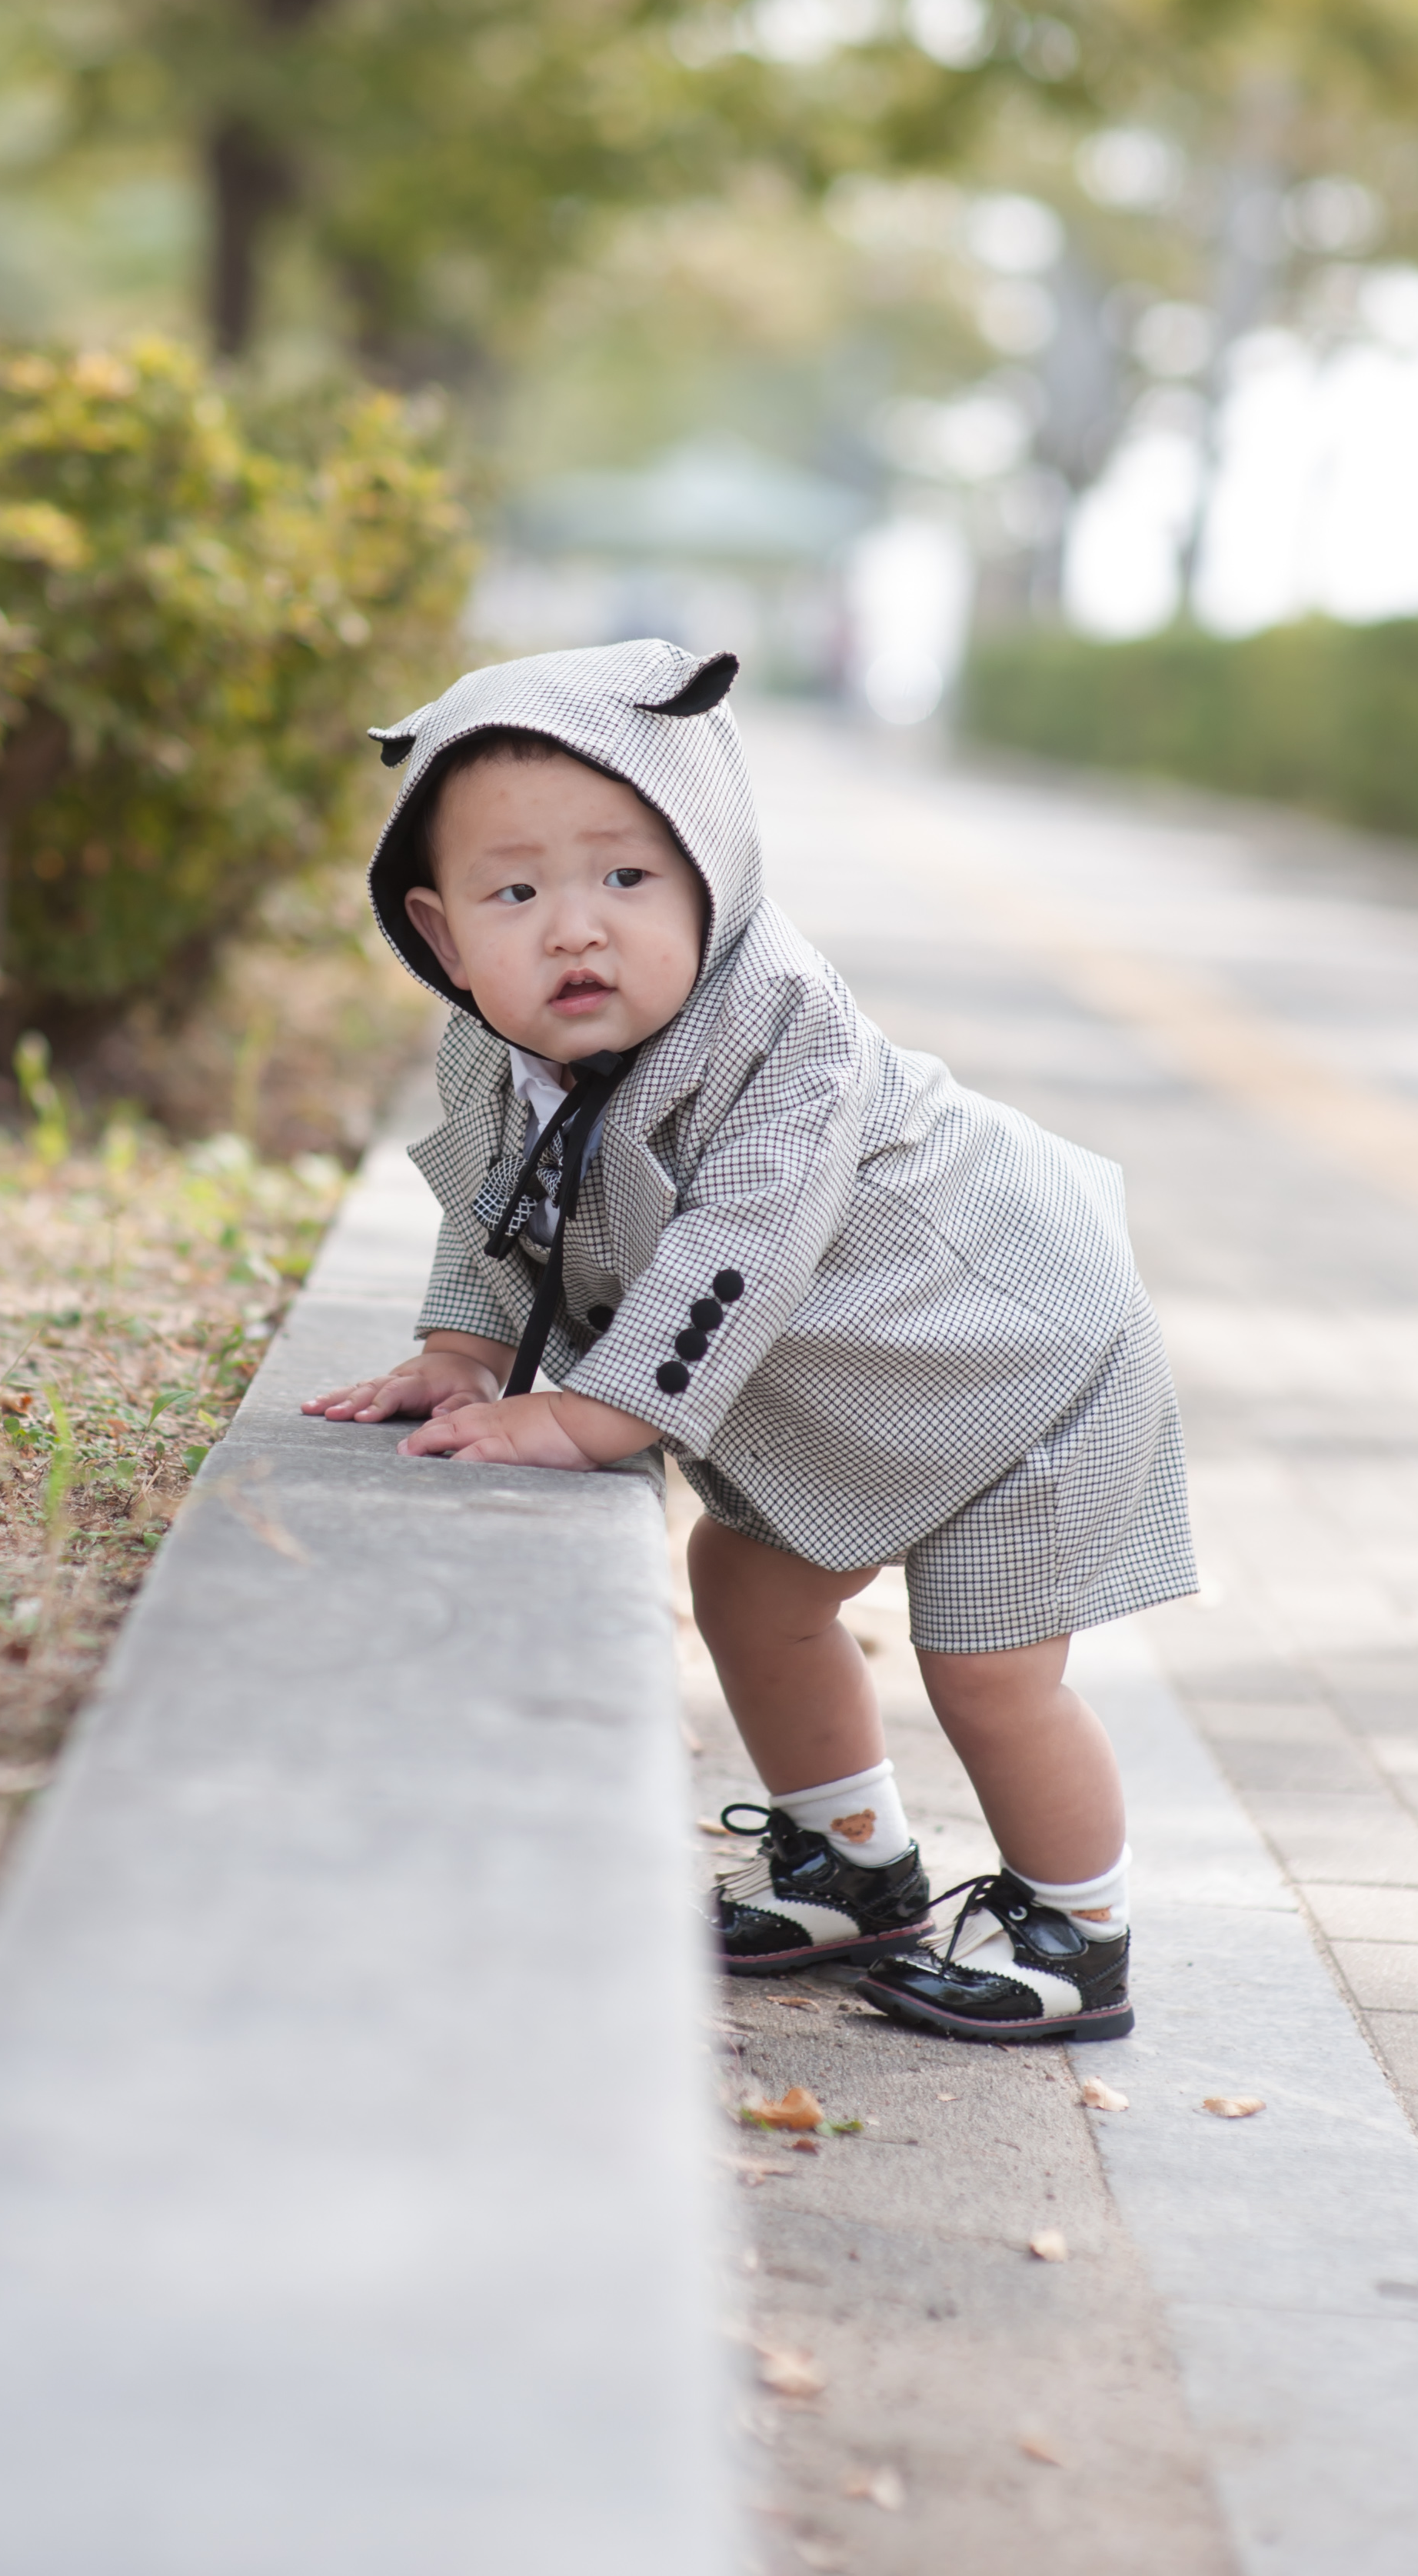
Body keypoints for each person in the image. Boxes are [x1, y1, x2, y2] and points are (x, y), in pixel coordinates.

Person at [302, 641, 1194, 2044]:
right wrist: (463, 1351)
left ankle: (1079, 1927)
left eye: (627, 878)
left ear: (714, 870)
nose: (574, 931)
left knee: (989, 1668)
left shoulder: (790, 1032)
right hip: (881, 1381)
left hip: (1025, 1353)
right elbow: (497, 1197)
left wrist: (592, 1413)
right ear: (439, 926)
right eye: (515, 893)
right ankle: (851, 1860)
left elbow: (743, 1248)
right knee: (746, 1578)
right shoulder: (498, 1043)